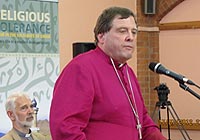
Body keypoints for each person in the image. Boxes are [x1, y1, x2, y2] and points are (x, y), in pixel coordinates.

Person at [50, 6, 167, 140]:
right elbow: (65, 128)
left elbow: (143, 122)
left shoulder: (128, 72)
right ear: (101, 36)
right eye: (122, 31)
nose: (130, 37)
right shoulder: (82, 68)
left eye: (134, 32)